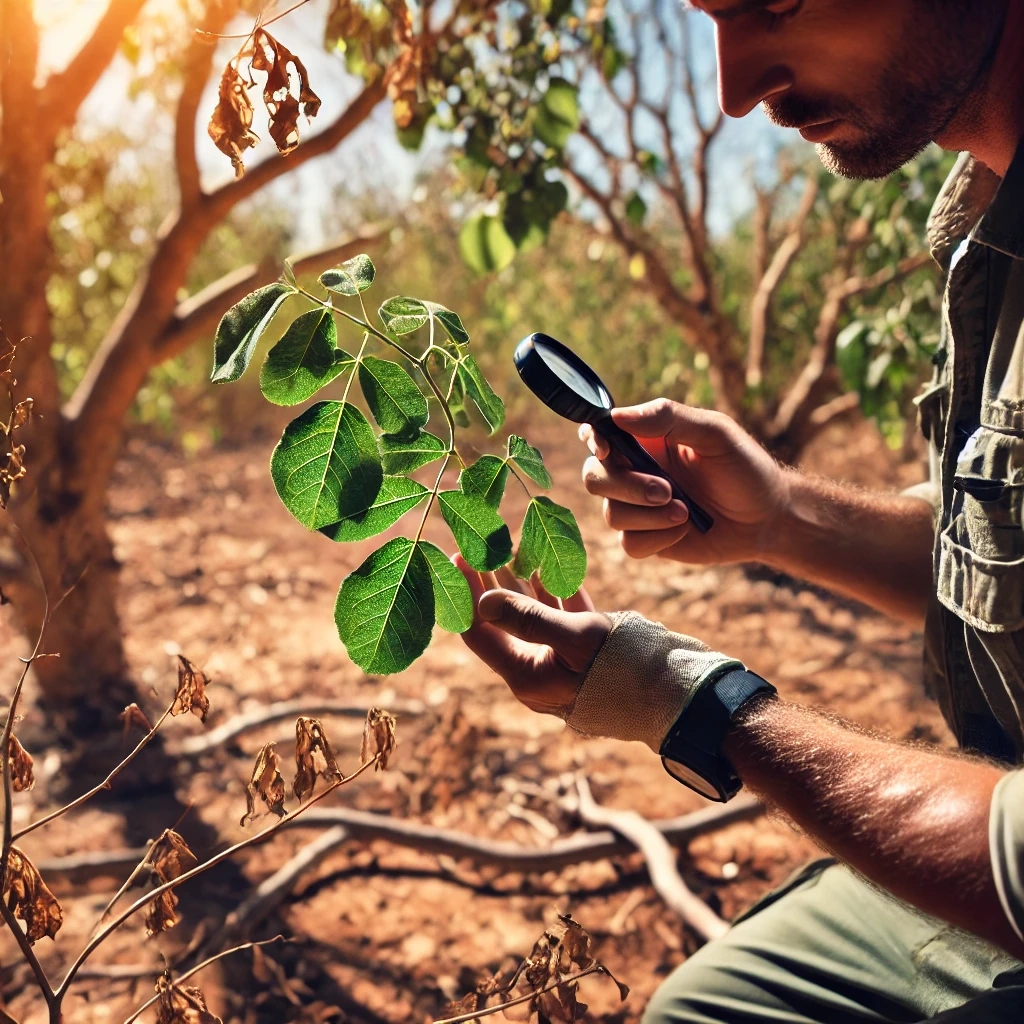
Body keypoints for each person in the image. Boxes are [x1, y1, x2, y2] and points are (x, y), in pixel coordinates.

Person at [455, 2, 1024, 1021]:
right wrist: (781, 517)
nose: (731, 88)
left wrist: (696, 702)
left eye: (774, 5)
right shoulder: (987, 225)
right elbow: (996, 545)